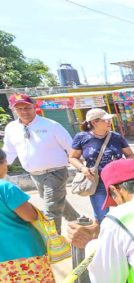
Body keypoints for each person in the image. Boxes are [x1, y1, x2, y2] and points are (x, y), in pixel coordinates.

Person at [0, 149, 56, 283]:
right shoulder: (5, 188)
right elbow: (29, 216)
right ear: (3, 163)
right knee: (47, 282)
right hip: (24, 246)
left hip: (2, 253)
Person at [2, 94, 79, 231]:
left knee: (51, 210)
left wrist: (81, 166)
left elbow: (71, 147)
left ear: (34, 106)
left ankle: (54, 243)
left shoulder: (51, 125)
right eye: (19, 109)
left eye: (27, 107)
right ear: (14, 110)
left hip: (55, 173)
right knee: (56, 201)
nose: (24, 112)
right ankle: (79, 221)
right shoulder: (11, 128)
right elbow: (9, 151)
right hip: (35, 174)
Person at [69, 108, 134, 222]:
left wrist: (123, 166)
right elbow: (73, 157)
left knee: (125, 215)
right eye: (106, 120)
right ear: (94, 122)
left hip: (119, 182)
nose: (109, 122)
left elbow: (130, 155)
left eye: (109, 119)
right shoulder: (81, 137)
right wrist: (83, 168)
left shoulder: (116, 137)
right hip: (97, 182)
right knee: (102, 217)